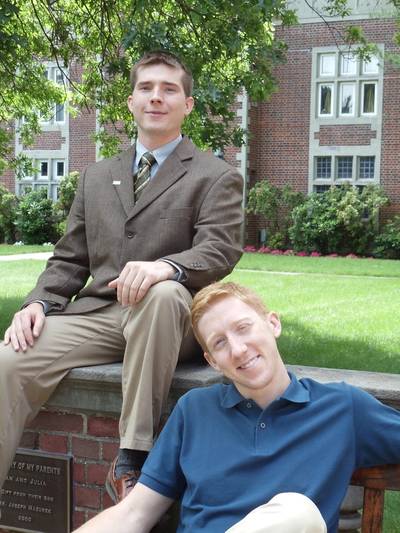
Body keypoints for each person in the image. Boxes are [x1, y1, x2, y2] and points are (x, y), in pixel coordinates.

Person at [0, 51, 244, 503]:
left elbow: (220, 249)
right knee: (8, 358)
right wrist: (38, 303)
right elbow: (70, 258)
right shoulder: (97, 176)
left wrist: (166, 267)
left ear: (187, 105)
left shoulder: (216, 175)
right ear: (131, 101)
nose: (157, 97)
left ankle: (132, 460)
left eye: (169, 89)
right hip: (100, 314)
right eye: (147, 88)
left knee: (165, 293)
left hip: (172, 318)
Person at [73, 281, 400, 533]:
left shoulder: (342, 408)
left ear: (273, 324)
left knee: (297, 512)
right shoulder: (194, 411)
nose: (239, 349)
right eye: (220, 343)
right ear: (212, 361)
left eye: (244, 328)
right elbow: (134, 512)